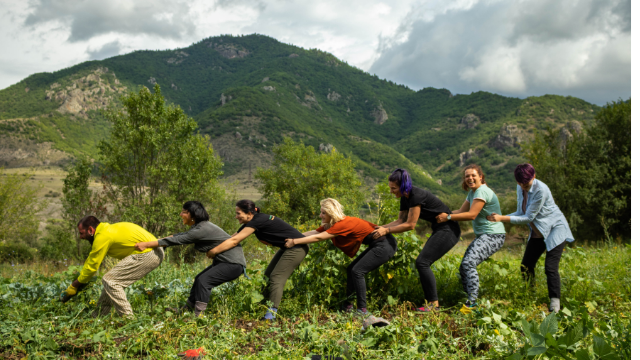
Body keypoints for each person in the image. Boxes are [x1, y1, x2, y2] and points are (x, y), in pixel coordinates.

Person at [285, 198, 396, 319]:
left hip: (386, 245)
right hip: (379, 244)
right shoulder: (332, 224)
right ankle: (348, 306)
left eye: (323, 213)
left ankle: (362, 310)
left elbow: (319, 238)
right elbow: (314, 233)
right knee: (351, 269)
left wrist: (294, 242)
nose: (320, 215)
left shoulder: (343, 224)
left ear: (331, 213)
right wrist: (291, 236)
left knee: (357, 271)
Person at [134, 201, 247, 317]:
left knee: (204, 281)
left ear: (192, 214)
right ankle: (187, 309)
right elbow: (177, 236)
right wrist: (153, 241)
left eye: (183, 212)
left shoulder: (201, 230)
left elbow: (177, 240)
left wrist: (147, 245)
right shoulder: (200, 226)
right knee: (199, 279)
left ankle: (199, 316)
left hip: (233, 263)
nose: (180, 214)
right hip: (227, 262)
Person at [487, 163, 574, 313]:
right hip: (538, 231)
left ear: (534, 176)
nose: (523, 187)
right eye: (520, 184)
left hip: (555, 229)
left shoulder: (541, 190)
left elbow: (528, 217)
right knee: (526, 265)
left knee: (550, 268)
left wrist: (502, 218)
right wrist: (501, 216)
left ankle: (555, 307)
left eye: (526, 184)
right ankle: (530, 295)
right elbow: (521, 212)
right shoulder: (520, 187)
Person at [371, 169, 460, 313]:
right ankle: (432, 304)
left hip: (449, 229)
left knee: (422, 262)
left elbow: (410, 225)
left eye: (393, 188)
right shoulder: (405, 198)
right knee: (422, 262)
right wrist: (379, 227)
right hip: (439, 228)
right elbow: (400, 220)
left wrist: (386, 231)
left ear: (402, 186)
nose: (391, 191)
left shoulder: (416, 196)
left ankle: (433, 305)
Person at [206, 200, 308, 320]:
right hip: (287, 246)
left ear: (249, 213)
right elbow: (232, 237)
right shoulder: (253, 221)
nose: (236, 216)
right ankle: (263, 305)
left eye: (238, 213)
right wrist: (214, 245)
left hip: (297, 247)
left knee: (276, 277)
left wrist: (214, 252)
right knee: (268, 275)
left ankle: (270, 315)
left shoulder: (257, 221)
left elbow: (234, 241)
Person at [60, 216, 164, 317]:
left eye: (81, 233)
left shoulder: (103, 236)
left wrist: (74, 285)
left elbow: (92, 266)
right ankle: (98, 316)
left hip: (149, 252)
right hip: (153, 250)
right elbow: (91, 259)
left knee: (110, 280)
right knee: (110, 281)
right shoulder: (107, 230)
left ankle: (128, 318)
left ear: (91, 230)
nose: (80, 237)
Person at [435, 164, 506, 314]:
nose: (470, 178)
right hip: (485, 236)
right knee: (463, 267)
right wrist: (439, 215)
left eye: (473, 175)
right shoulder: (473, 193)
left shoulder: (482, 191)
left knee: (468, 263)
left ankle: (472, 303)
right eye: (467, 176)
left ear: (481, 177)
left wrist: (447, 217)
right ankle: (469, 299)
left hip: (493, 235)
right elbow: (461, 211)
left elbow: (471, 215)